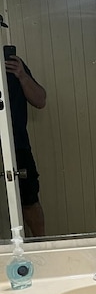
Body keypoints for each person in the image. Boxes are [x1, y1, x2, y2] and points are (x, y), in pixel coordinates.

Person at [4, 53, 46, 237]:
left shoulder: (12, 63)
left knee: (29, 200)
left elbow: (40, 100)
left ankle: (42, 246)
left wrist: (21, 74)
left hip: (17, 143)